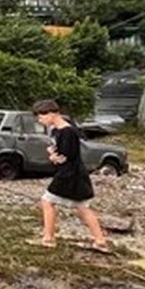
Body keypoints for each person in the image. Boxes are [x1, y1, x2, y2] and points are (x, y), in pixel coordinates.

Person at [32, 99, 110, 251]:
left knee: (47, 201)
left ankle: (48, 238)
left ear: (52, 114)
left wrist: (55, 157)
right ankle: (100, 241)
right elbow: (57, 151)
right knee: (82, 207)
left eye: (41, 117)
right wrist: (52, 154)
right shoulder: (55, 130)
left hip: (70, 174)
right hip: (69, 173)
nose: (40, 121)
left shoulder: (68, 132)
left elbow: (66, 156)